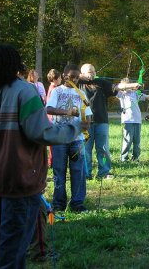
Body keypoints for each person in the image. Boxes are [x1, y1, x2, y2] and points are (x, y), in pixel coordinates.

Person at [0, 44, 83, 268]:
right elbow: (41, 132)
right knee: (13, 247)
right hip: (21, 178)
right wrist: (76, 127)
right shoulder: (24, 90)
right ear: (15, 64)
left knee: (0, 243)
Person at [46, 64, 92, 213]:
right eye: (72, 76)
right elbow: (49, 109)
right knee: (59, 170)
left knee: (78, 170)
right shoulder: (57, 91)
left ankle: (77, 203)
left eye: (77, 77)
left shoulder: (81, 93)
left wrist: (87, 123)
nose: (74, 79)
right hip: (59, 137)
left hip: (76, 138)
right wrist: (67, 111)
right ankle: (59, 203)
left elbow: (88, 113)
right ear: (65, 76)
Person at [79, 63, 131, 179]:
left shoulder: (101, 82)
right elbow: (68, 78)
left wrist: (132, 85)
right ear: (82, 73)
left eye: (94, 71)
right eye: (89, 71)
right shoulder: (78, 83)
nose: (93, 73)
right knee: (86, 150)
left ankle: (103, 172)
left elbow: (117, 87)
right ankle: (86, 174)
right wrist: (82, 77)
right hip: (84, 122)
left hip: (101, 120)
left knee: (103, 149)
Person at [116, 78, 149, 162]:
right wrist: (126, 87)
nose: (127, 88)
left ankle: (135, 158)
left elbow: (147, 96)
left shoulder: (135, 94)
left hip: (137, 120)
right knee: (127, 140)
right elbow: (118, 87)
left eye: (129, 85)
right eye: (126, 86)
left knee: (137, 141)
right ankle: (124, 158)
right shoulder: (120, 94)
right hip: (127, 120)